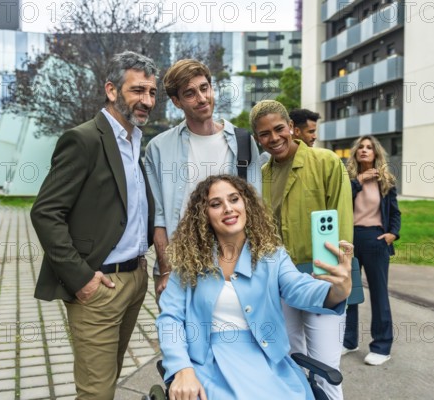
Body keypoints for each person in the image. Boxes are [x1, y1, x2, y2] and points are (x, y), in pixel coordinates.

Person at [30, 51, 157, 399]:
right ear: (112, 90)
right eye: (138, 91)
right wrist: (82, 279)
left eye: (152, 92)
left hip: (134, 280)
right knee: (97, 393)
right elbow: (45, 212)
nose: (147, 100)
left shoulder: (134, 141)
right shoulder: (84, 139)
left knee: (108, 380)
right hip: (98, 286)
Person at [157, 174, 353, 400]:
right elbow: (170, 319)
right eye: (216, 204)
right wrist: (182, 369)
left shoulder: (272, 256)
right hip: (207, 365)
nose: (228, 209)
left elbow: (299, 287)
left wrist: (336, 291)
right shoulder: (188, 264)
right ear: (204, 215)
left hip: (266, 360)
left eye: (234, 199)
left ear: (246, 204)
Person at [250, 100, 353, 399]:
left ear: (292, 128)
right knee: (291, 362)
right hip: (281, 281)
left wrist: (340, 274)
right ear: (258, 139)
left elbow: (343, 222)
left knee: (325, 369)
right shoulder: (261, 174)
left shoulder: (326, 162)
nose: (274, 138)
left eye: (279, 129)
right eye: (265, 134)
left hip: (323, 279)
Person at [145, 59, 261, 301]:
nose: (201, 98)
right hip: (179, 270)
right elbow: (158, 222)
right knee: (179, 337)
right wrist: (166, 271)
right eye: (190, 93)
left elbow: (255, 212)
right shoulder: (159, 147)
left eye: (204, 88)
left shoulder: (243, 142)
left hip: (233, 266)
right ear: (177, 102)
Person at [342, 135, 401, 366]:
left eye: (369, 148)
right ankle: (349, 342)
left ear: (376, 153)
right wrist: (360, 179)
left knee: (379, 294)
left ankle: (381, 347)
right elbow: (341, 198)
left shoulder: (386, 181)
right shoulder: (347, 179)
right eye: (361, 147)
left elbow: (395, 213)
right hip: (351, 239)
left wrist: (392, 234)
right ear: (356, 152)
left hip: (376, 240)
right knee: (350, 293)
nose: (365, 150)